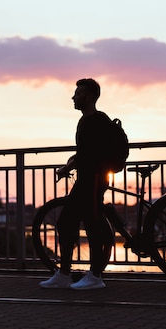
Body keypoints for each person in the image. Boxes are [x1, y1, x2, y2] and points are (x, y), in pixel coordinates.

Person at [39, 78, 114, 290]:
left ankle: (95, 276)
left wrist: (67, 168)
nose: (74, 97)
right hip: (85, 180)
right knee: (66, 223)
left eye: (79, 94)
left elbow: (90, 155)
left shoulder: (98, 121)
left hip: (94, 180)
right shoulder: (84, 122)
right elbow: (82, 153)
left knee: (92, 226)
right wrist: (70, 164)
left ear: (90, 97)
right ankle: (64, 273)